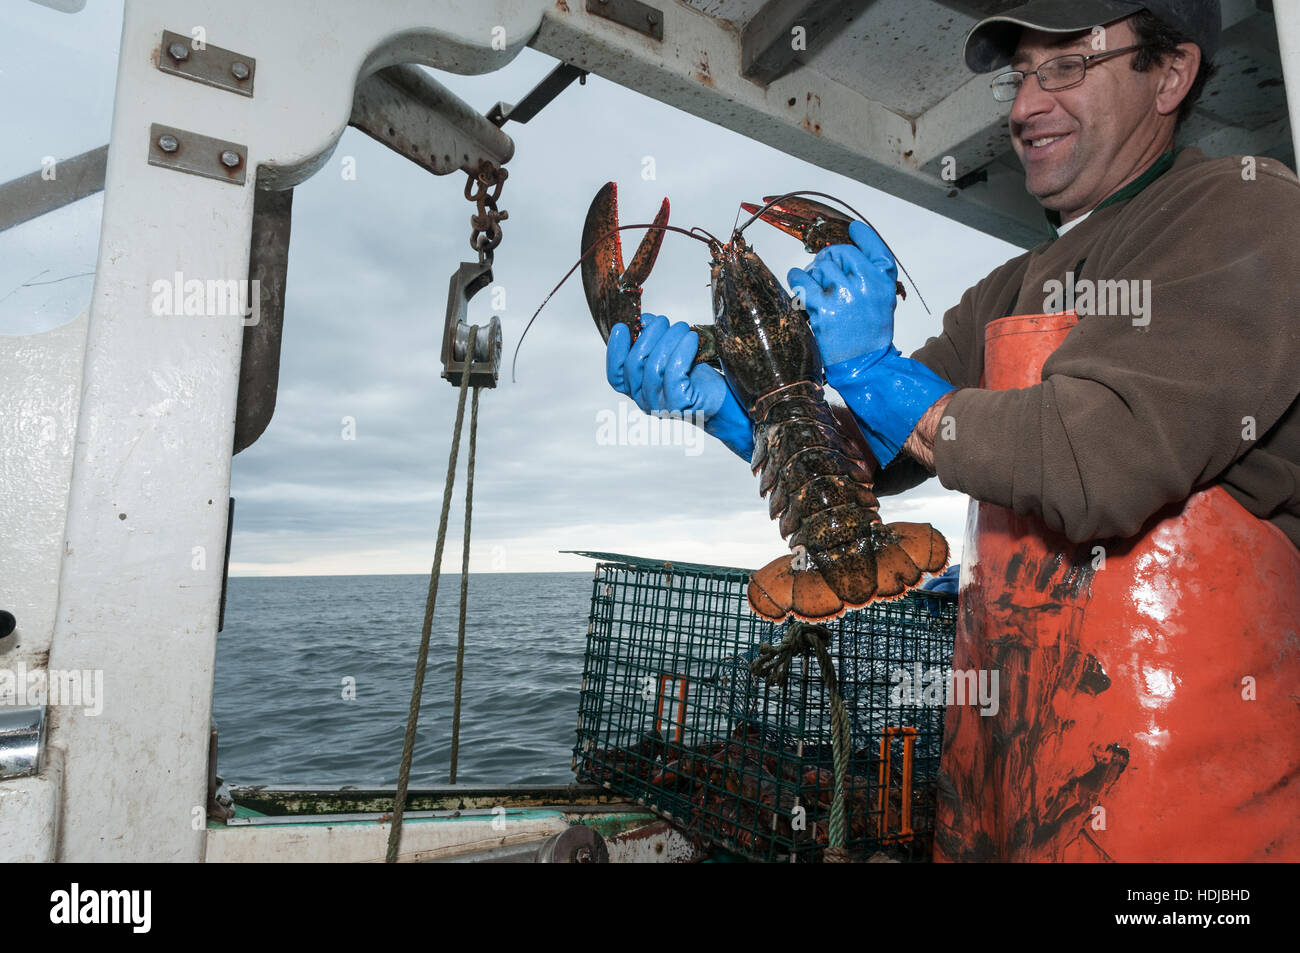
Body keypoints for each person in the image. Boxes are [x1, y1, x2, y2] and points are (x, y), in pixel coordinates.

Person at [606, 0, 1300, 862]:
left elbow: (1098, 460)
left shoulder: (1250, 216)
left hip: (1190, 815)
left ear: (1171, 73)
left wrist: (875, 370)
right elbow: (870, 454)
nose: (1022, 106)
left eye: (1066, 67)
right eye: (1020, 77)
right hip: (998, 792)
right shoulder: (1009, 288)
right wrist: (732, 407)